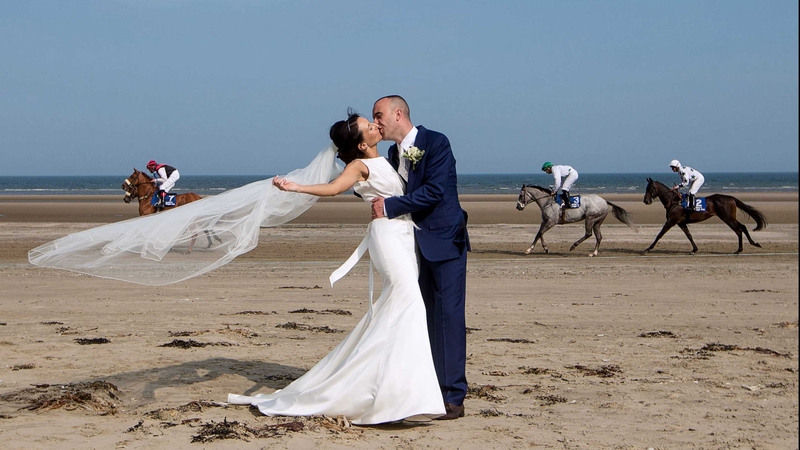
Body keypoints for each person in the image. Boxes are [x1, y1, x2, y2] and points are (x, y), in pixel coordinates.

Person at [227, 111, 445, 424]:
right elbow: (333, 188)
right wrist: (296, 188)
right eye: (367, 126)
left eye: (373, 121)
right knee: (408, 302)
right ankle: (401, 395)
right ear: (360, 144)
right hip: (387, 237)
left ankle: (393, 389)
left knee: (399, 308)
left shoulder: (392, 158)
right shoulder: (359, 166)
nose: (374, 125)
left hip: (407, 237)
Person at [370, 95, 470, 420]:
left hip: (444, 240)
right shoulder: (392, 152)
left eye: (379, 115)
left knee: (448, 318)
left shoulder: (436, 142)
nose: (376, 122)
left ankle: (453, 397)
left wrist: (388, 208)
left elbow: (435, 190)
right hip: (413, 246)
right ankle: (428, 390)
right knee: (423, 319)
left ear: (398, 113)